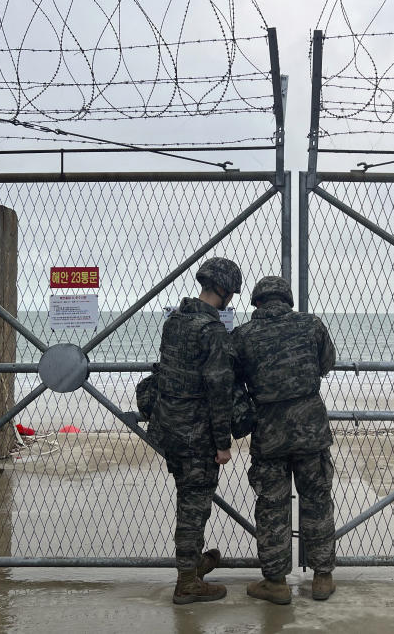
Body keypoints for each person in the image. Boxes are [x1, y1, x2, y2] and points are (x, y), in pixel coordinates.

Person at [231, 275, 337, 604]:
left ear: (257, 303)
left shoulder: (243, 335)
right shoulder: (312, 325)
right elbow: (327, 363)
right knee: (317, 502)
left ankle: (276, 583)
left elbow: (231, 383)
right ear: (288, 300)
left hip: (269, 434)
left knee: (272, 508)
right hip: (311, 431)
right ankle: (322, 578)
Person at [149, 257, 241, 605]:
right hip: (196, 433)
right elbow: (218, 390)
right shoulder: (213, 332)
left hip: (169, 426)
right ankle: (187, 581)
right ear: (223, 290)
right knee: (194, 506)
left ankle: (193, 563)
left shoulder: (175, 320)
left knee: (187, 497)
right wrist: (222, 444)